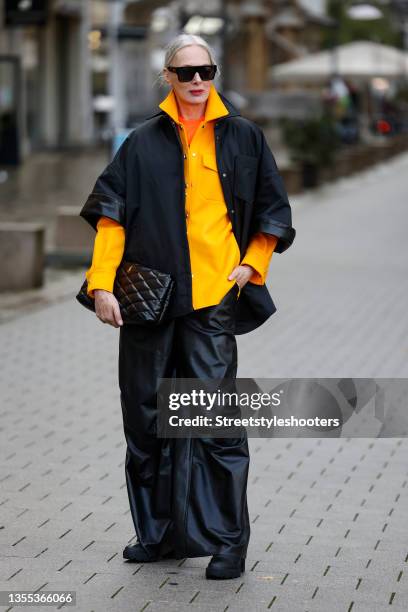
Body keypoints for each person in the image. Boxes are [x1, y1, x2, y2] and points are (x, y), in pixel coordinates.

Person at [79, 33, 295, 580]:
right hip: (148, 300)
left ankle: (227, 541)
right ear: (168, 78)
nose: (198, 80)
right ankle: (159, 535)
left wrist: (252, 266)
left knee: (214, 422)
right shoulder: (140, 143)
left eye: (207, 70)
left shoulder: (245, 138)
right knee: (148, 419)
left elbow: (273, 210)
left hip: (212, 301)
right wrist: (101, 285)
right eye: (186, 71)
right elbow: (111, 218)